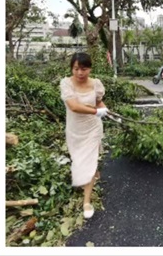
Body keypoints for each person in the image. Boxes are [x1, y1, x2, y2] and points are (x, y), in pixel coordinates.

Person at [60, 52, 108, 220]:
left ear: (90, 69)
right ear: (71, 69)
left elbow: (98, 102)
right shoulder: (66, 84)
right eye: (76, 69)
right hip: (75, 130)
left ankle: (86, 201)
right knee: (79, 159)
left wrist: (105, 110)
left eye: (84, 69)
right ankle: (91, 173)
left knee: (90, 161)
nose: (80, 73)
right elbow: (73, 106)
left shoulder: (96, 84)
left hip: (93, 129)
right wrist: (96, 111)